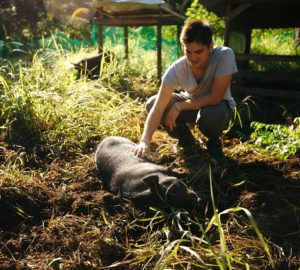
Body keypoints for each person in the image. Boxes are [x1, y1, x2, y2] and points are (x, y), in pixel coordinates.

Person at [133, 20, 238, 167]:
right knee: (152, 102)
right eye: (188, 51)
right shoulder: (177, 68)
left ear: (210, 47)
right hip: (191, 105)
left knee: (211, 115)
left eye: (198, 52)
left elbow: (216, 97)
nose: (192, 57)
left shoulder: (224, 55)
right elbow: (157, 107)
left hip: (218, 108)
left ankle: (214, 142)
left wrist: (179, 106)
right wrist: (144, 141)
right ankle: (186, 141)